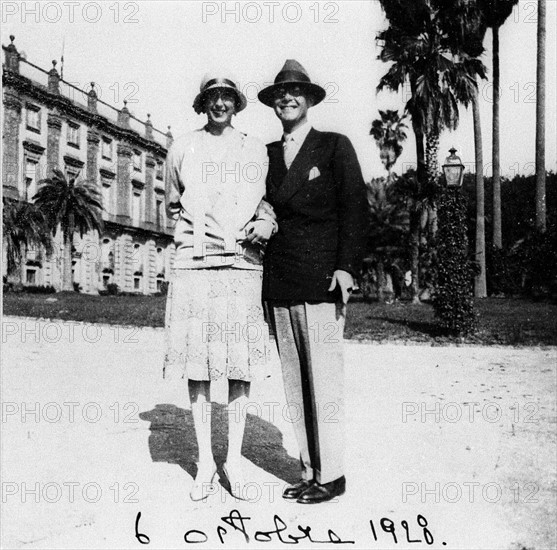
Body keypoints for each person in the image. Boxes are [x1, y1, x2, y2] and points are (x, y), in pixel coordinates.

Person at [258, 60, 368, 504]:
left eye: (296, 92)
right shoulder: (263, 154)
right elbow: (256, 204)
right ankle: (310, 470)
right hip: (281, 279)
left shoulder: (333, 146)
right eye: (280, 93)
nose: (287, 98)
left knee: (323, 380)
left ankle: (333, 474)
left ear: (309, 99)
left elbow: (356, 211)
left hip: (322, 279)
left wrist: (346, 267)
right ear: (272, 103)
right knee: (294, 381)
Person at [163, 71, 276, 501]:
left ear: (236, 103)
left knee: (238, 365)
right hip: (194, 262)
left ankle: (234, 461)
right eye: (212, 96)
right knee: (198, 363)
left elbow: (265, 199)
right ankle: (205, 464)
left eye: (227, 96)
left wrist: (262, 221)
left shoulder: (253, 149)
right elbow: (173, 201)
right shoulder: (182, 146)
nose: (220, 103)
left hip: (242, 263)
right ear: (202, 102)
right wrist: (197, 234)